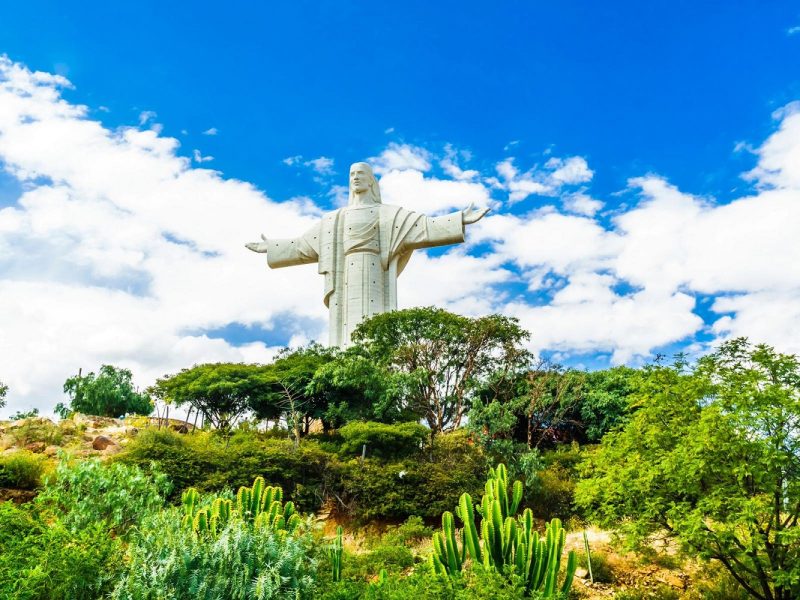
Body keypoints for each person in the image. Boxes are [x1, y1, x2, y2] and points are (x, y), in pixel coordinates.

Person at [246, 162, 488, 346]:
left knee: (375, 336)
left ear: (371, 181)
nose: (355, 178)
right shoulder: (334, 219)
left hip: (373, 270)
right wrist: (273, 247)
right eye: (351, 175)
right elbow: (303, 246)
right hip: (346, 279)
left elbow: (423, 227)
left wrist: (459, 220)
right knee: (344, 340)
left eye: (361, 174)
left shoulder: (387, 214)